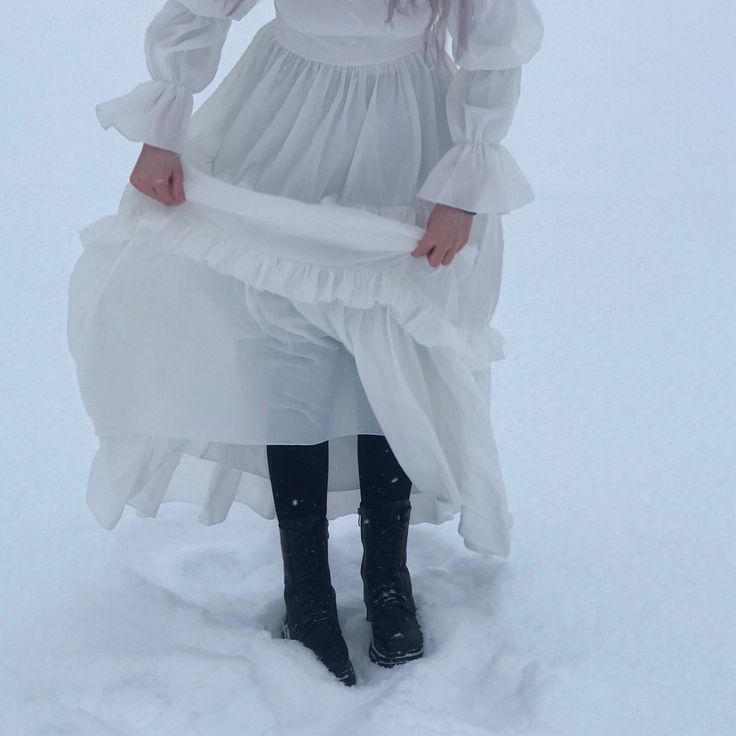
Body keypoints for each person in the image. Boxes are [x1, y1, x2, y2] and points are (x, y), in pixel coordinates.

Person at [67, 0, 543, 686]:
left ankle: (387, 572)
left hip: (403, 135)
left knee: (389, 347)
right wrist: (164, 124)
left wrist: (465, 184)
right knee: (286, 345)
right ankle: (307, 588)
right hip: (282, 125)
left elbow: (492, 41)